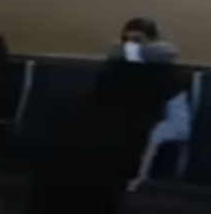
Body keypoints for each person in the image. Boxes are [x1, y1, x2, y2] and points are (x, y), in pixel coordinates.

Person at [33, 17, 184, 214]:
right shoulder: (114, 70)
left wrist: (152, 134)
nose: (131, 47)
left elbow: (179, 123)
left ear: (152, 42)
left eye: (138, 40)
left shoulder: (169, 75)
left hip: (134, 135)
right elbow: (98, 103)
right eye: (127, 41)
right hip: (106, 135)